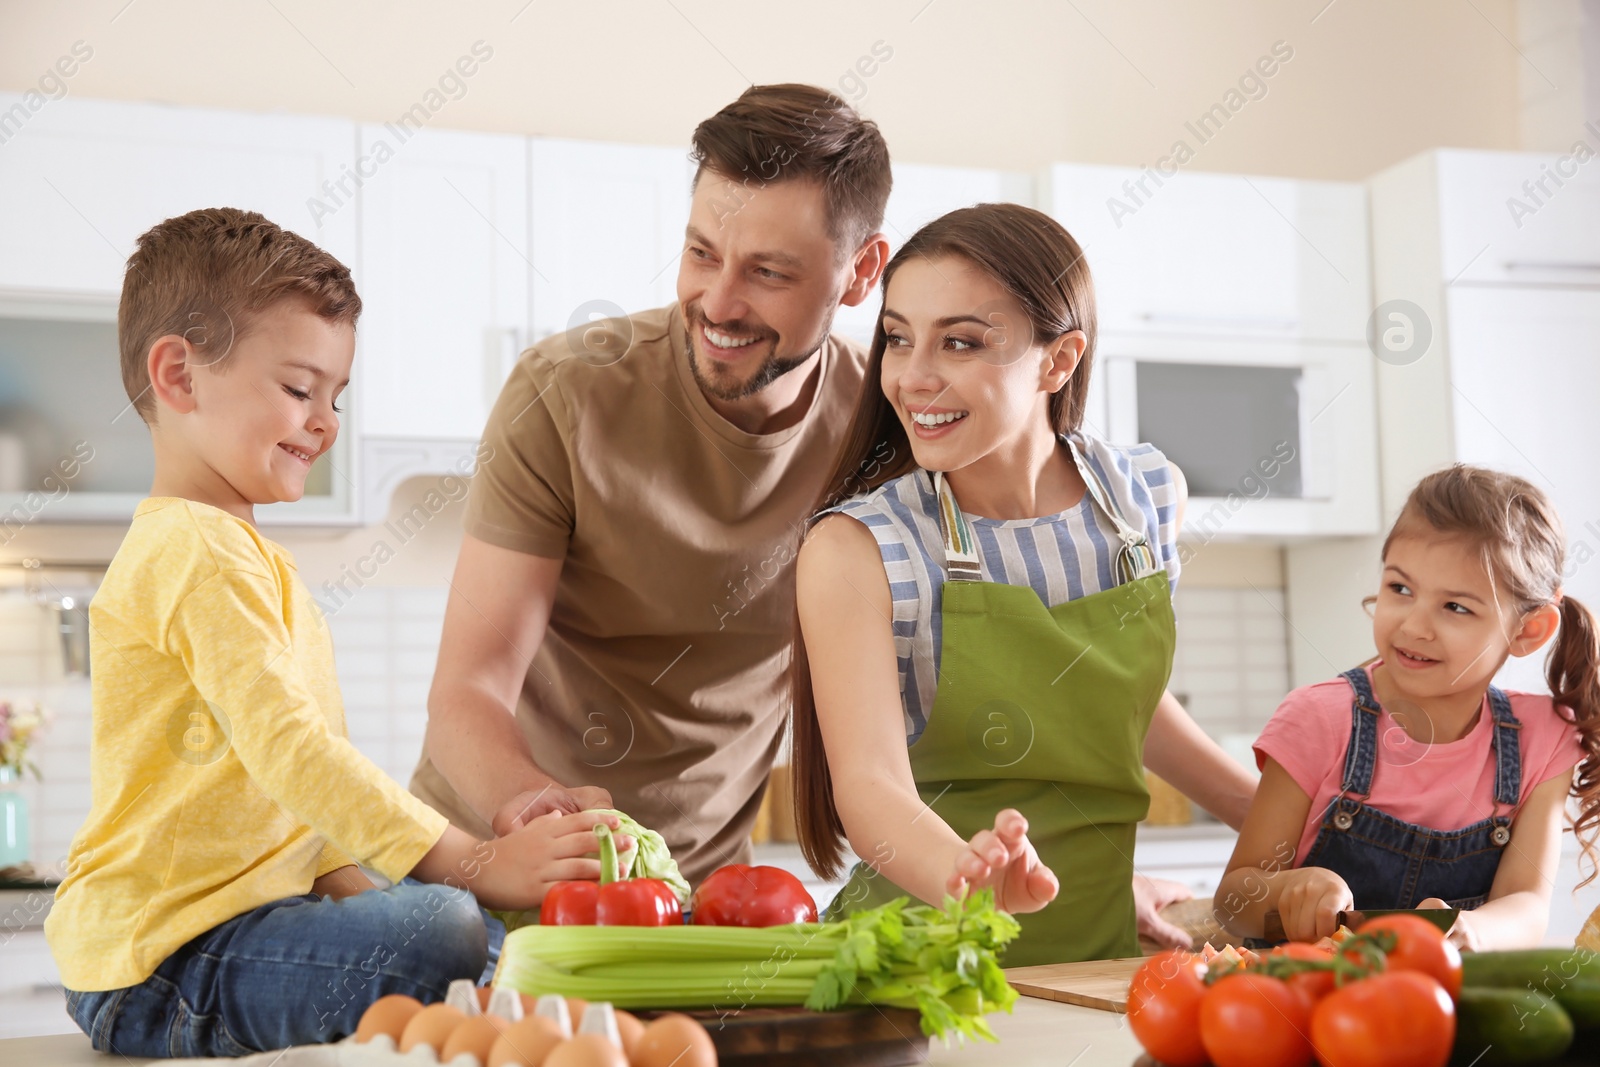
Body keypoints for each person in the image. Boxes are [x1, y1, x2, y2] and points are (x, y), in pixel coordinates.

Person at [412, 83, 1252, 975]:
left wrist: (1096, 864)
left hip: (700, 897)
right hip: (490, 879)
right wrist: (541, 821)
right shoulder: (569, 394)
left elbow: (1061, 660)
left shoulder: (897, 422)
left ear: (859, 273)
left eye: (768, 272)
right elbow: (467, 690)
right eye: (701, 253)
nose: (719, 301)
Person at [44, 208, 623, 1058]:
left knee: (452, 929)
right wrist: (476, 863)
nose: (325, 421)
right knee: (444, 922)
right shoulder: (195, 552)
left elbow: (293, 806)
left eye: (335, 395)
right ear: (178, 375)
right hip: (161, 964)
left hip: (220, 942)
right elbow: (298, 754)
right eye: (297, 387)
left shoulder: (244, 559)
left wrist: (375, 894)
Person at [789, 203, 1253, 966]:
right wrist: (966, 876)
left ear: (1058, 360)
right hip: (922, 966)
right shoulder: (861, 546)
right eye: (899, 338)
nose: (913, 376)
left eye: (961, 342)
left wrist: (1280, 814)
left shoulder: (1143, 498)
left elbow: (1126, 707)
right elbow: (870, 785)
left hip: (1102, 962)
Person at [1218, 465, 1600, 950]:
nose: (1414, 626)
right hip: (1305, 1004)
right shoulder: (1317, 719)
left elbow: (1526, 904)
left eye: (1455, 607)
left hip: (1444, 1012)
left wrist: (1473, 931)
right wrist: (1288, 892)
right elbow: (1233, 905)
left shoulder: (1542, 738)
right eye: (1401, 589)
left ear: (1528, 630)